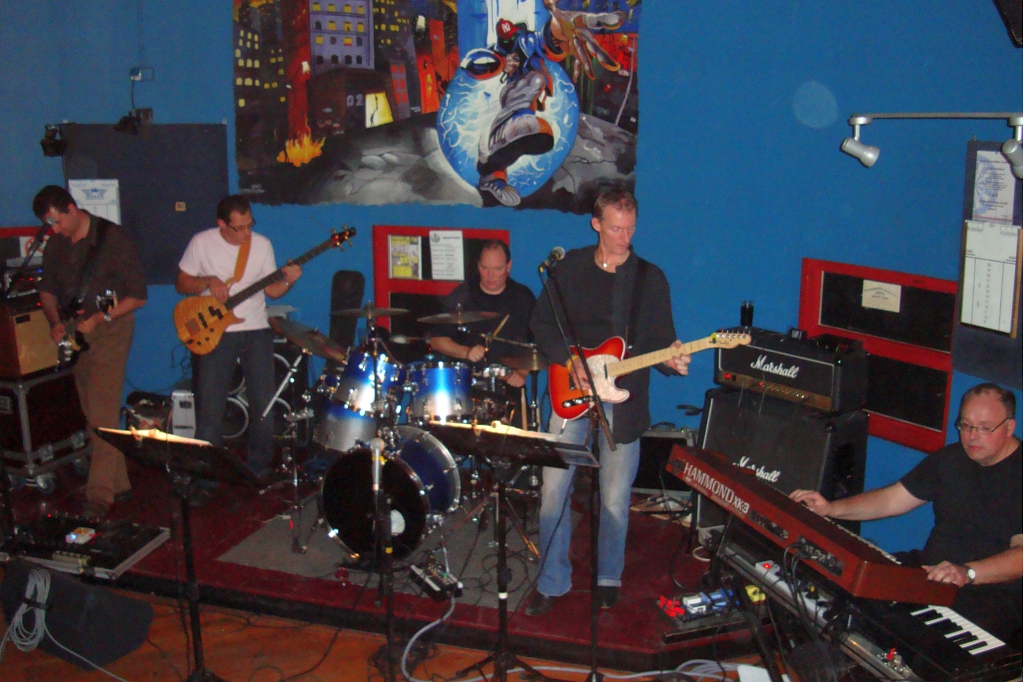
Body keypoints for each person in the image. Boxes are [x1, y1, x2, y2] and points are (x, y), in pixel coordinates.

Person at [526, 189, 690, 615]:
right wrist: (569, 360)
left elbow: (661, 342)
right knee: (552, 493)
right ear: (596, 224)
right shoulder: (569, 268)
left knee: (615, 498)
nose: (625, 238)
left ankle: (607, 577)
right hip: (570, 390)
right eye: (616, 228)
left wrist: (673, 361)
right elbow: (541, 323)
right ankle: (552, 580)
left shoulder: (650, 278)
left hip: (624, 399)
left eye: (631, 229)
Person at [791, 383, 1022, 642]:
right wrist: (831, 508)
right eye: (965, 425)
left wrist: (967, 573)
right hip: (932, 574)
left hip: (994, 593)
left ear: (1009, 427)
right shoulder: (952, 459)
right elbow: (891, 500)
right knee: (847, 590)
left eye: (984, 428)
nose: (971, 436)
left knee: (919, 640)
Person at [33, 185, 148, 519]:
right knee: (91, 408)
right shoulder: (56, 244)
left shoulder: (113, 238)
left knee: (101, 411)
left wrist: (101, 317)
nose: (55, 230)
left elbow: (137, 296)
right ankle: (119, 482)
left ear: (72, 209)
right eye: (49, 225)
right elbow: (47, 290)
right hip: (75, 331)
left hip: (110, 328)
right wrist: (54, 322)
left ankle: (99, 496)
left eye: (57, 221)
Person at [175, 195, 301, 477]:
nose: (247, 232)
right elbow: (181, 283)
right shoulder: (201, 242)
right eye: (239, 227)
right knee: (210, 408)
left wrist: (289, 281)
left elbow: (272, 291)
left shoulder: (262, 245)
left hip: (256, 330)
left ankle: (258, 469)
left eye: (250, 224)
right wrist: (207, 281)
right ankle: (207, 474)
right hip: (216, 333)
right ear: (222, 224)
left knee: (264, 406)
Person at [429, 240, 536, 390]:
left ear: (508, 266)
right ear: (478, 265)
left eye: (497, 269)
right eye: (485, 268)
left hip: (507, 385)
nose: (490, 275)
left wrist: (522, 373)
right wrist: (466, 352)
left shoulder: (523, 298)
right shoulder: (462, 295)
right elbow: (437, 341)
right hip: (466, 384)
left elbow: (536, 345)